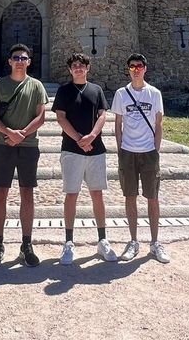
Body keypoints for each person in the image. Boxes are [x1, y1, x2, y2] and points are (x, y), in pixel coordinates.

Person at [0, 43, 49, 268]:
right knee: (0, 194)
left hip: (28, 146)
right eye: (16, 57)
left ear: (29, 61)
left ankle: (26, 244)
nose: (20, 60)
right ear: (9, 61)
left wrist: (21, 135)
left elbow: (41, 117)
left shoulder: (37, 86)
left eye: (23, 57)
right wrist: (9, 133)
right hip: (3, 145)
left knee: (27, 194)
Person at [52, 52, 116, 264]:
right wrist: (80, 138)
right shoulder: (63, 90)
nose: (78, 68)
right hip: (71, 149)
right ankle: (69, 242)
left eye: (82, 65)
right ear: (70, 70)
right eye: (75, 66)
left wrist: (92, 136)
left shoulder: (96, 90)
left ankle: (102, 240)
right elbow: (60, 118)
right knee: (72, 194)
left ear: (88, 68)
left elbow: (103, 115)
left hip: (96, 149)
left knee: (97, 194)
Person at [111, 52, 170, 263]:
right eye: (132, 66)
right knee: (130, 197)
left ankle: (155, 243)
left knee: (152, 198)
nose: (136, 69)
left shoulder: (154, 94)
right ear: (129, 69)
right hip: (128, 151)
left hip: (148, 152)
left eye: (139, 66)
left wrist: (156, 149)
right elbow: (117, 124)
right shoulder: (121, 94)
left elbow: (159, 123)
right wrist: (120, 148)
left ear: (145, 68)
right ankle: (133, 241)